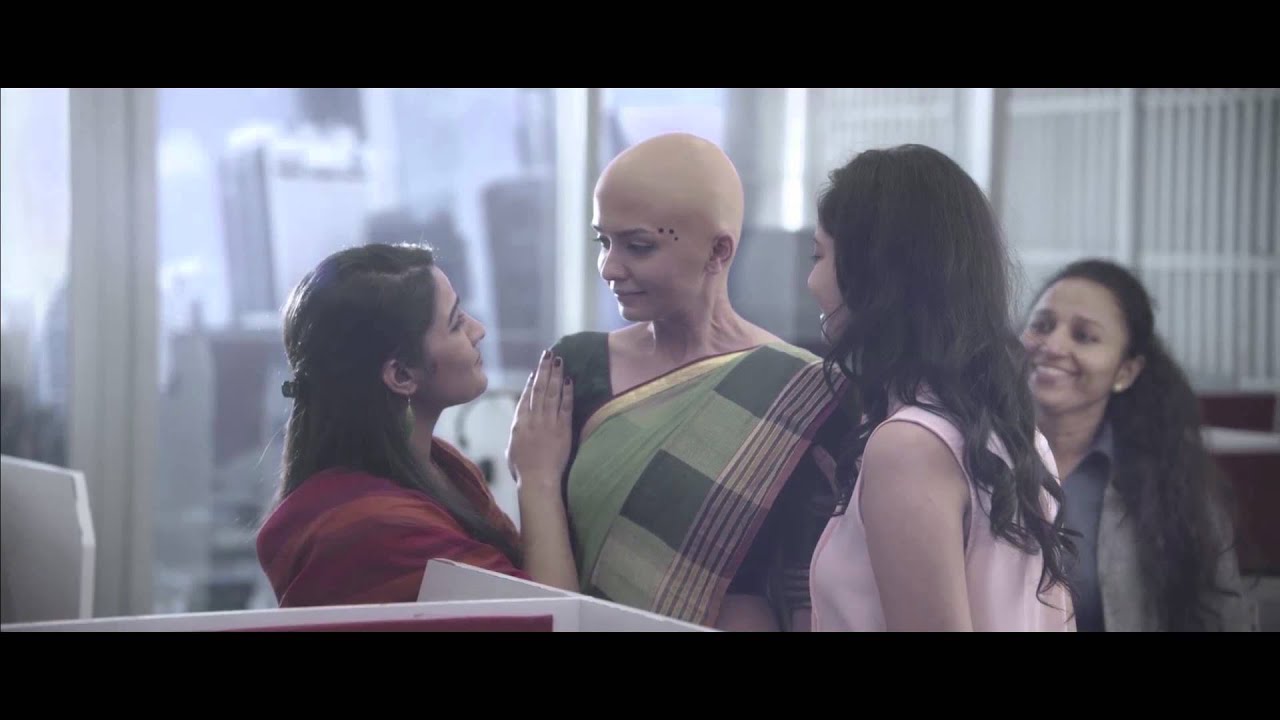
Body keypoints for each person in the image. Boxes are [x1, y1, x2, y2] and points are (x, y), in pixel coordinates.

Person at [552, 132, 849, 630]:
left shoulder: (804, 394)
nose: (609, 268)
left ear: (718, 251)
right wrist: (535, 481)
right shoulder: (575, 370)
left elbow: (811, 585)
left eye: (638, 246)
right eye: (602, 241)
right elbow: (540, 549)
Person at [805, 144, 1075, 631]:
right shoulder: (1016, 434)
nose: (810, 281)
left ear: (874, 273)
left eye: (819, 255)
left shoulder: (909, 445)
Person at [256, 243, 577, 607]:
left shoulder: (441, 465)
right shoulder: (375, 530)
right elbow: (555, 619)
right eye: (456, 324)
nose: (478, 330)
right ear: (402, 375)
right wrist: (538, 478)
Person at [1021, 258, 1256, 631]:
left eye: (1084, 336)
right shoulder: (977, 455)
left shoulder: (1173, 482)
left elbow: (1223, 619)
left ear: (1126, 371)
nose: (1053, 345)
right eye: (1042, 325)